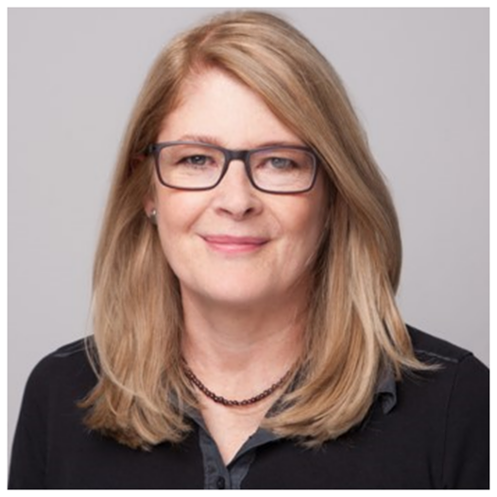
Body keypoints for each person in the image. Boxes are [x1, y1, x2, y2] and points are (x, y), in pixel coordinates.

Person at [9, 10, 489, 489]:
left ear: (334, 191)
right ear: (147, 189)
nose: (236, 201)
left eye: (279, 161)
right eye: (196, 159)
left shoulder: (459, 407)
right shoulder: (59, 396)